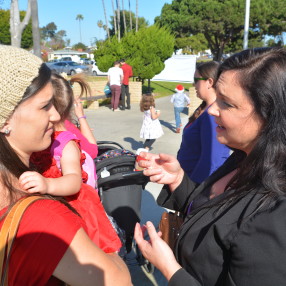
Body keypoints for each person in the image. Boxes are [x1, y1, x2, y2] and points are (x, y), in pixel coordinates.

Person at [134, 47, 286, 286]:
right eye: (217, 98)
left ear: (268, 115)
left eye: (227, 103)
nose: (213, 109)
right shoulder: (242, 158)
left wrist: (170, 269)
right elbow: (212, 210)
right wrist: (177, 180)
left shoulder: (276, 212)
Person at [0, 45, 131, 285]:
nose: (55, 115)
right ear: (5, 120)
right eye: (44, 106)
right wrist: (108, 253)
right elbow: (118, 281)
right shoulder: (40, 219)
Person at [19, 73, 122, 254]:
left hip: (74, 209)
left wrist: (47, 184)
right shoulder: (38, 140)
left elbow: (74, 181)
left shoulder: (65, 144)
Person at [177, 61, 230, 184]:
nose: (193, 84)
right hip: (186, 180)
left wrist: (192, 193)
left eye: (196, 80)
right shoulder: (204, 109)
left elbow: (212, 160)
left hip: (195, 184)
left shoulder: (213, 115)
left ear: (209, 82)